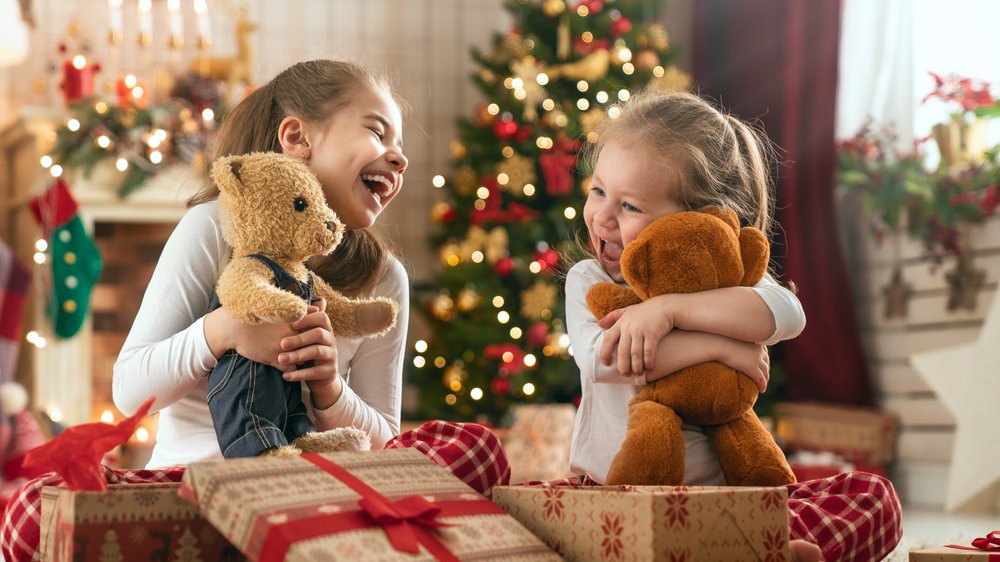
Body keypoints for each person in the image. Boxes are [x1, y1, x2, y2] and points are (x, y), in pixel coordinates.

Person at [564, 91, 900, 562]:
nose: (601, 216)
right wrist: (725, 350)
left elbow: (788, 313)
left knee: (873, 498)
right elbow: (604, 359)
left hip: (724, 503)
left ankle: (741, 549)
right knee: (542, 513)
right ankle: (755, 554)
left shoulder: (729, 276)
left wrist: (669, 311)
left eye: (631, 207)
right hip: (616, 499)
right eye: (599, 191)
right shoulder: (590, 279)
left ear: (699, 221)